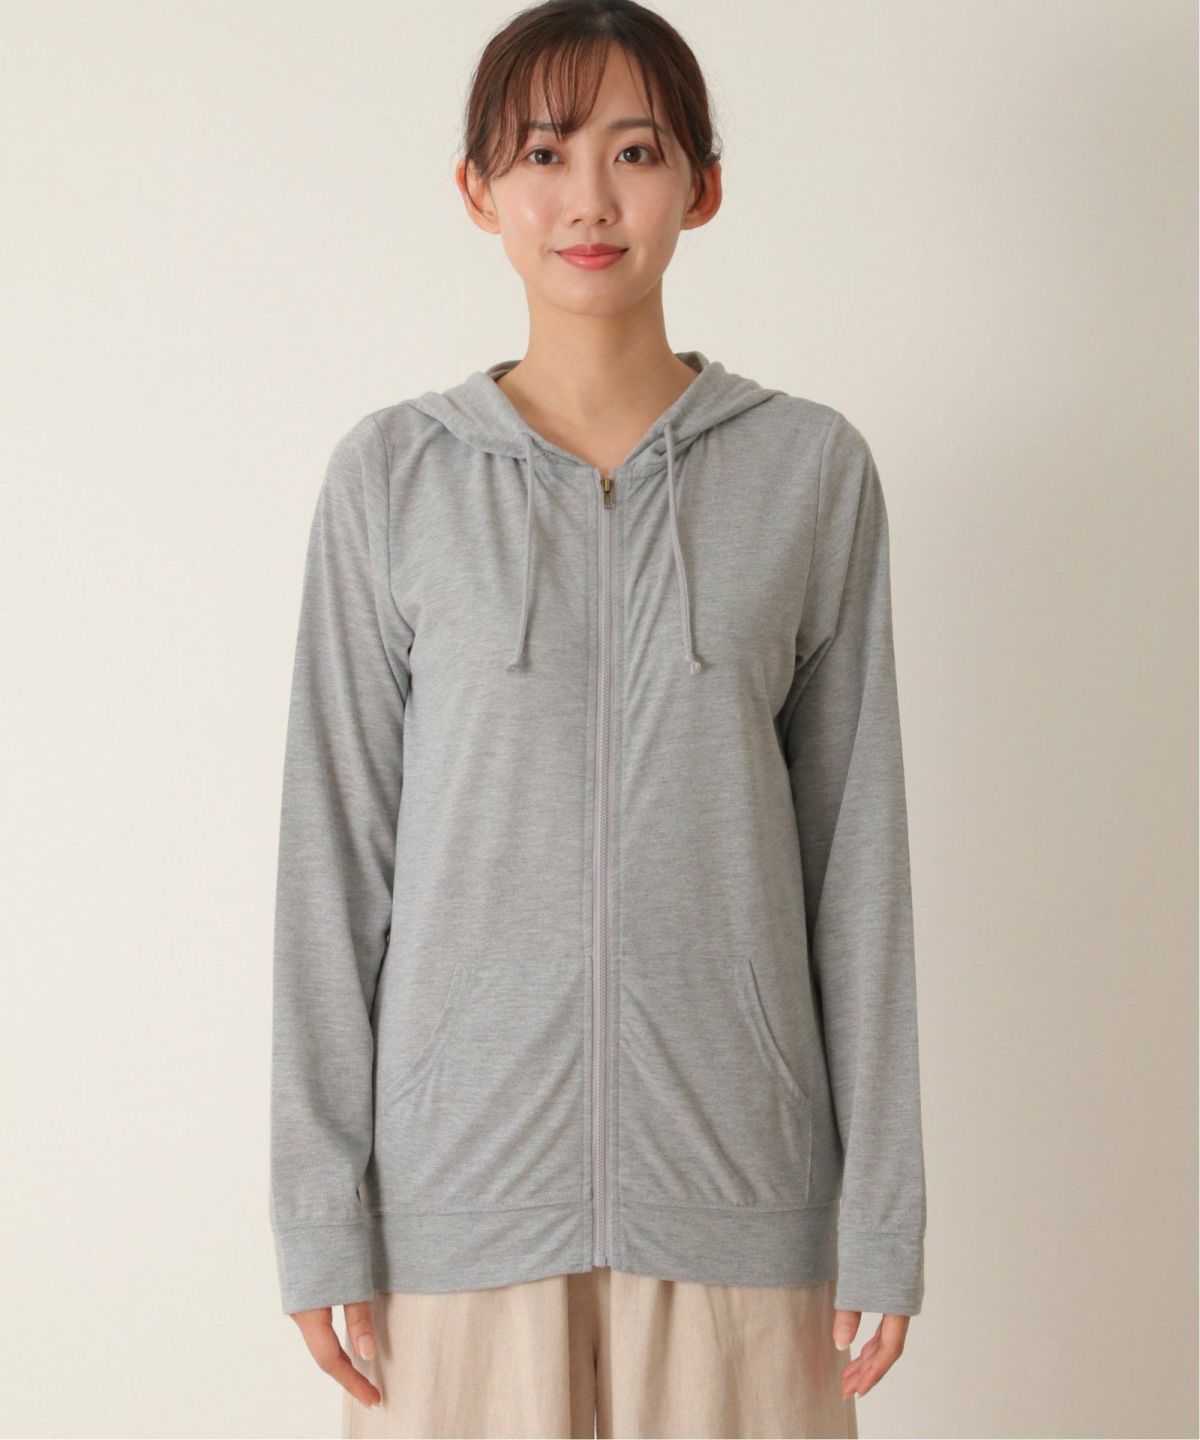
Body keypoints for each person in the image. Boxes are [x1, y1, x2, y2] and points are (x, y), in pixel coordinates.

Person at [268, 2, 928, 1435]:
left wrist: (881, 1212)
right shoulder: (393, 479)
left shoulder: (810, 473)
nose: (588, 199)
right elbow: (333, 866)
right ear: (476, 190)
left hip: (741, 1204)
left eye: (634, 151)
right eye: (543, 153)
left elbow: (857, 870)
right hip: (458, 1212)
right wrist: (320, 1213)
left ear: (702, 184)